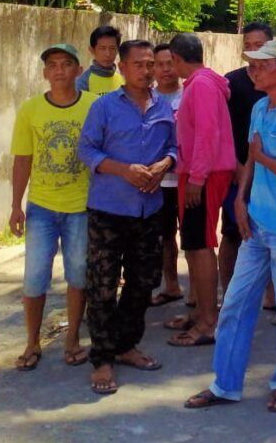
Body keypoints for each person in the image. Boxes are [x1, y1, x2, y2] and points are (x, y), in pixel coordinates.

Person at [184, 40, 276, 414]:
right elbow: (250, 160)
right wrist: (241, 199)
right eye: (252, 65)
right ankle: (225, 385)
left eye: (262, 65)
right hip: (257, 226)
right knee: (234, 307)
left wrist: (262, 156)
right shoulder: (260, 107)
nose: (253, 71)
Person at [77, 40, 176, 395]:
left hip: (148, 210)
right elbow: (86, 148)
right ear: (122, 68)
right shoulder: (104, 106)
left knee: (143, 283)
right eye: (139, 64)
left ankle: (127, 344)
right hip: (108, 210)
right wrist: (124, 170)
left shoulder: (163, 106)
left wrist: (165, 165)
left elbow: (174, 147)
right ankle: (103, 358)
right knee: (103, 286)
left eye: (151, 64)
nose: (147, 71)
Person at [8, 43, 96, 371]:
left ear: (78, 70)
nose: (59, 70)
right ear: (45, 72)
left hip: (81, 206)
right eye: (53, 65)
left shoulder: (94, 106)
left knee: (78, 274)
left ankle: (72, 339)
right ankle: (32, 342)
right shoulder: (30, 110)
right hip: (42, 207)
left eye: (66, 64)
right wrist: (16, 206)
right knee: (34, 278)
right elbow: (23, 159)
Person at [166, 32, 237, 348]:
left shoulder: (202, 85)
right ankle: (200, 313)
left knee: (200, 244)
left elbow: (208, 133)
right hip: (199, 172)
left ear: (177, 59)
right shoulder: (200, 84)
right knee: (193, 243)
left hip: (204, 174)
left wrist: (197, 177)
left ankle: (208, 322)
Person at [224, 22, 271, 297]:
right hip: (237, 169)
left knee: (273, 234)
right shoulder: (230, 82)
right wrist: (236, 166)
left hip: (273, 174)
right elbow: (222, 130)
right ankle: (229, 294)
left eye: (259, 45)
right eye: (248, 45)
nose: (253, 50)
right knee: (233, 233)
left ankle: (274, 295)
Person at [149, 42, 185, 307]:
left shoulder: (190, 95)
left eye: (169, 63)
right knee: (164, 235)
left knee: (194, 239)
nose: (165, 69)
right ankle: (171, 284)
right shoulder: (146, 98)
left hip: (186, 179)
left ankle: (197, 294)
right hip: (157, 181)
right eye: (159, 64)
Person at [75, 25, 125, 96]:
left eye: (112, 48)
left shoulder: (122, 81)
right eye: (102, 48)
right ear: (92, 50)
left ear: (117, 50)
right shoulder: (83, 83)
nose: (108, 54)